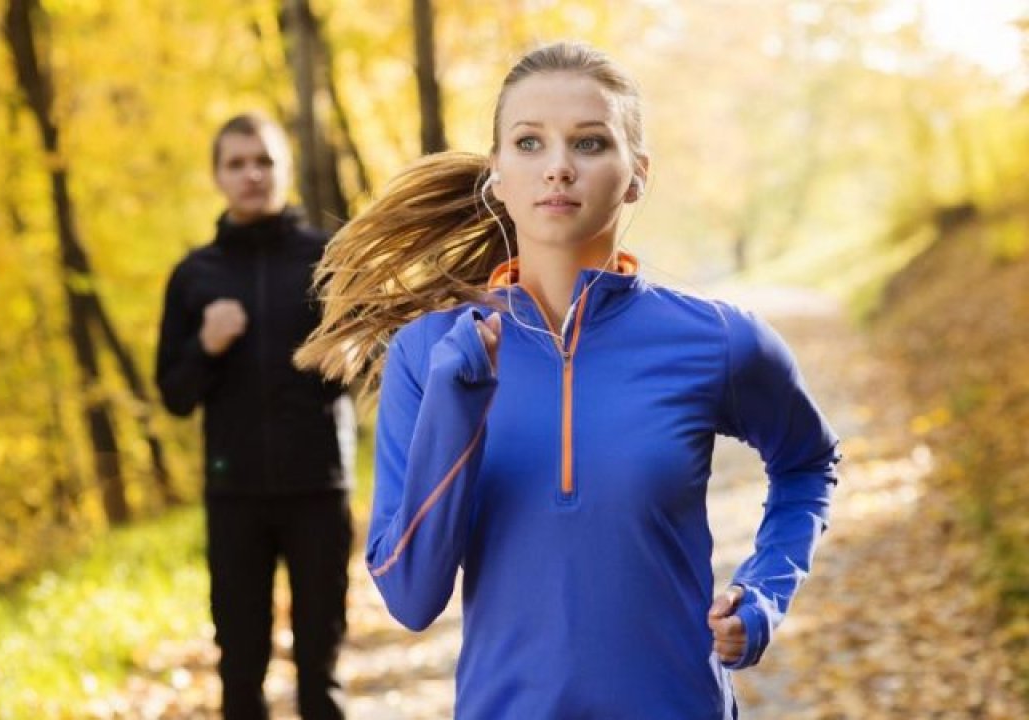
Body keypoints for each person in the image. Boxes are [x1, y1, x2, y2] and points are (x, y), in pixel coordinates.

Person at [294, 42, 840, 718]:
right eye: (529, 143)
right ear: (497, 175)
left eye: (588, 143)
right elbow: (410, 595)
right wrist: (456, 404)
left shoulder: (717, 340)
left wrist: (762, 596)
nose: (557, 167)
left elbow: (809, 463)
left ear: (635, 175)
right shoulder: (431, 353)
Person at [155, 112, 353, 720]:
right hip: (234, 493)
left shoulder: (327, 259)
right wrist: (207, 347)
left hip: (318, 487)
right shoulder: (195, 275)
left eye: (263, 160)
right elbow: (174, 394)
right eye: (237, 163)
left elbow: (370, 367)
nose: (251, 174)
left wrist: (351, 355)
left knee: (321, 675)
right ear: (217, 176)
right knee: (240, 670)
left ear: (285, 169)